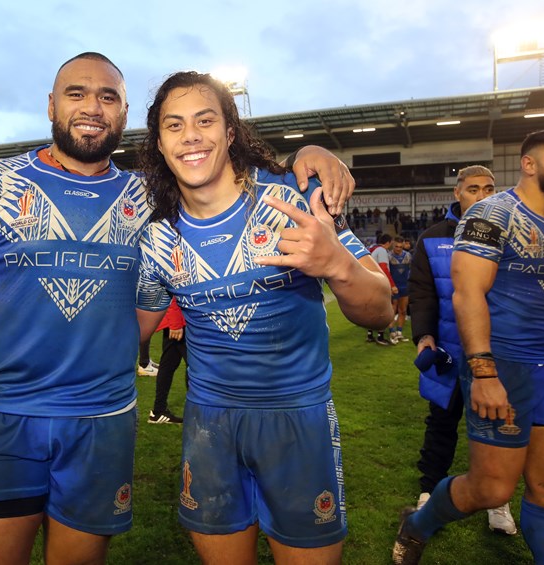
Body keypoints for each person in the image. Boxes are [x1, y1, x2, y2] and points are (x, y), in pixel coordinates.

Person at [0, 52, 357, 565]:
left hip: (102, 423)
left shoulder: (150, 199)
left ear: (126, 113)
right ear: (51, 104)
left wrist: (307, 157)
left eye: (108, 97)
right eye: (76, 93)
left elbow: (226, 184)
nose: (93, 106)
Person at [135, 71, 393, 564]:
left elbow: (379, 310)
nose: (191, 135)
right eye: (174, 125)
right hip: (209, 429)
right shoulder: (157, 238)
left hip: (299, 423)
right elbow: (132, 331)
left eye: (205, 120)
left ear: (230, 132)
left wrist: (336, 263)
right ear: (160, 144)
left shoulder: (292, 199)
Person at [393, 129, 544, 565]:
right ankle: (419, 524)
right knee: (490, 489)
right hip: (504, 368)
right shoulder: (491, 215)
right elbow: (467, 294)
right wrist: (483, 373)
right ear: (529, 163)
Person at [407, 166, 516, 534]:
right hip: (449, 353)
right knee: (440, 424)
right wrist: (423, 335)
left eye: (489, 188)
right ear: (458, 193)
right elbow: (421, 293)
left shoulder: (509, 236)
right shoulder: (432, 237)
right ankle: (428, 492)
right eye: (473, 189)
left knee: (495, 428)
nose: (482, 196)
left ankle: (497, 502)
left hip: (494, 355)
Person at [148, 298, 186, 424]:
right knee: (196, 367)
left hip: (178, 320)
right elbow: (171, 291)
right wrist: (175, 323)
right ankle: (198, 411)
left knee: (168, 365)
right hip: (178, 321)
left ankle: (158, 411)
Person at [366, 234, 398, 345]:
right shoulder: (382, 251)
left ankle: (370, 335)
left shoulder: (372, 248)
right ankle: (380, 336)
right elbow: (384, 268)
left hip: (369, 281)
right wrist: (392, 285)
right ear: (388, 242)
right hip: (378, 282)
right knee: (383, 309)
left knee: (371, 309)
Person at [388, 236, 412, 343]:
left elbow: (412, 270)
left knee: (403, 310)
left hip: (404, 286)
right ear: (393, 245)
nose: (398, 249)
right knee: (392, 310)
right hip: (393, 287)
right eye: (397, 247)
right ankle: (392, 332)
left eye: (401, 247)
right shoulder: (388, 256)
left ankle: (399, 332)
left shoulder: (408, 256)